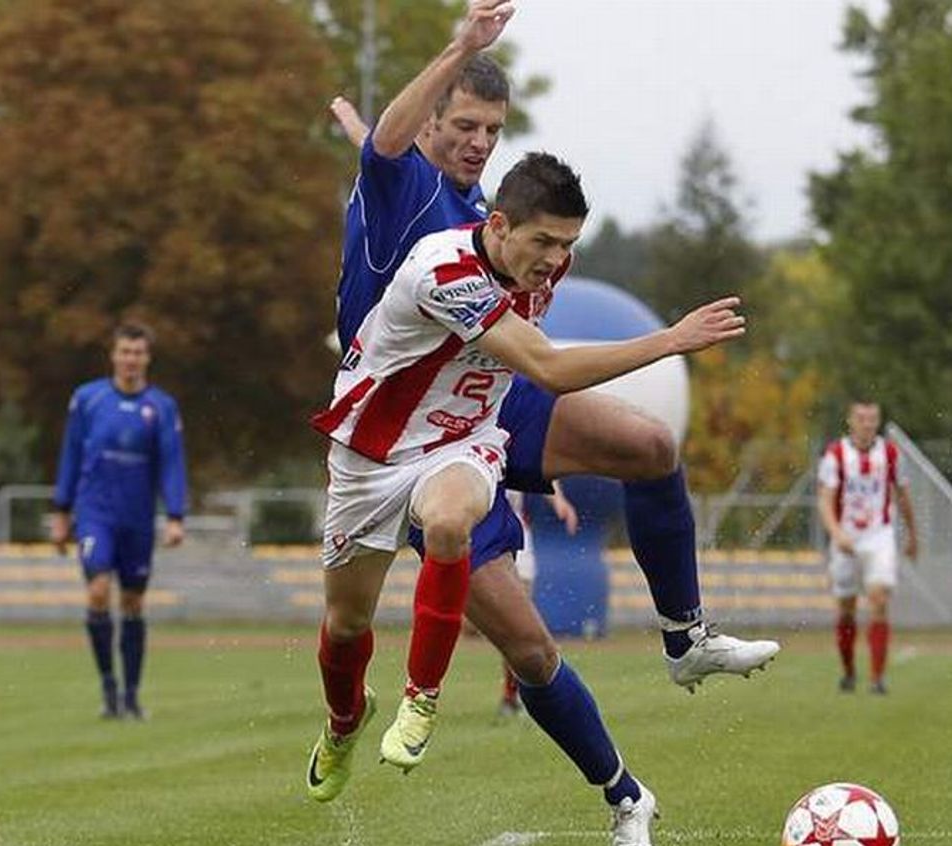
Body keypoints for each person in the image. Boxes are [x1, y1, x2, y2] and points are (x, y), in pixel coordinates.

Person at [327, 0, 779, 698]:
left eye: (493, 129)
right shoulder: (404, 185)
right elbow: (387, 146)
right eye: (465, 126)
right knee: (530, 651)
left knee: (650, 446)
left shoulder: (480, 212)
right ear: (429, 125)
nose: (480, 142)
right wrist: (461, 47)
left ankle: (686, 639)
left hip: (487, 398)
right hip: (403, 428)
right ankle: (379, 709)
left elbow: (383, 145)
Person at [51, 322, 188, 719]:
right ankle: (109, 687)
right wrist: (62, 511)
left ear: (147, 358)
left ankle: (131, 695)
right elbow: (71, 454)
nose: (131, 359)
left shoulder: (161, 406)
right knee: (97, 591)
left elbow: (172, 461)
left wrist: (175, 515)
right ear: (113, 355)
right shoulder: (87, 399)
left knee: (132, 601)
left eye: (138, 353)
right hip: (95, 513)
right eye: (125, 352)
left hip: (137, 517)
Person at [817, 399, 917, 695]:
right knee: (846, 607)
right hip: (846, 536)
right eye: (861, 418)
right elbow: (825, 500)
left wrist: (913, 535)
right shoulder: (836, 454)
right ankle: (849, 672)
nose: (867, 424)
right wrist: (837, 534)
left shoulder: (890, 453)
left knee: (879, 600)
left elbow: (902, 494)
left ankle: (877, 678)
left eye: (872, 419)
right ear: (850, 421)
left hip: (879, 535)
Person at [497, 484, 578, 718]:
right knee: (489, 624)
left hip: (517, 535)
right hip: (483, 534)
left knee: (518, 623)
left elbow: (537, 471)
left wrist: (558, 500)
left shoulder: (513, 458)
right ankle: (423, 691)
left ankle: (513, 694)